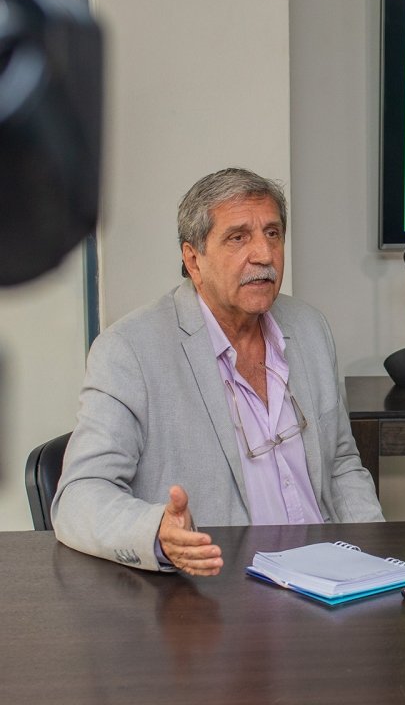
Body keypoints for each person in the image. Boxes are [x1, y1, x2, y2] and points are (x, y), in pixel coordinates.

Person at [53, 168, 384, 575]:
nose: (264, 254)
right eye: (238, 238)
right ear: (193, 260)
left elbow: (341, 464)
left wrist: (376, 556)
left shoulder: (310, 328)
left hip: (330, 576)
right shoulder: (129, 351)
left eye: (273, 233)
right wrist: (157, 532)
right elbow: (79, 496)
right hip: (222, 586)